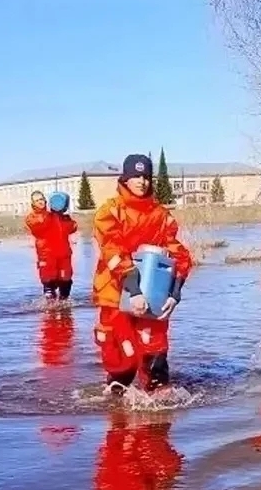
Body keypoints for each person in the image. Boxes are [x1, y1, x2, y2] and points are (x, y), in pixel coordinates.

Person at [91, 154, 193, 393]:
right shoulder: (110, 212)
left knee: (155, 350)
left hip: (154, 294)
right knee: (122, 358)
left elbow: (178, 255)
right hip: (115, 293)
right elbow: (113, 251)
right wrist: (133, 290)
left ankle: (158, 404)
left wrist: (175, 293)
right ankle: (117, 396)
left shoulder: (160, 215)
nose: (142, 181)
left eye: (146, 176)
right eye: (136, 176)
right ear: (125, 179)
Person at [25, 190, 78, 301]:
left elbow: (72, 228)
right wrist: (50, 214)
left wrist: (63, 213)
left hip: (63, 254)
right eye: (37, 200)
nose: (40, 202)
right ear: (33, 203)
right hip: (47, 255)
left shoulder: (56, 215)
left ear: (45, 200)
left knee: (66, 282)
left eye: (41, 199)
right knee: (49, 282)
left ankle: (64, 309)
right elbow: (39, 225)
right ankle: (50, 310)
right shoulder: (32, 217)